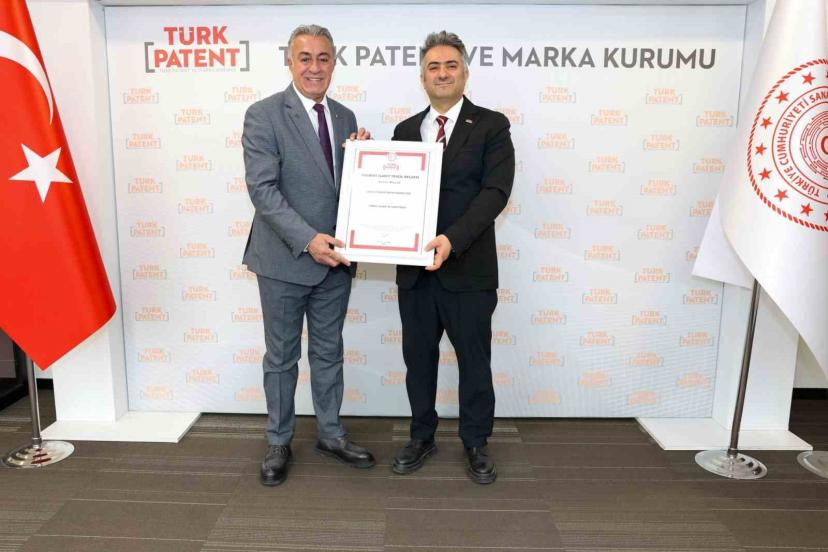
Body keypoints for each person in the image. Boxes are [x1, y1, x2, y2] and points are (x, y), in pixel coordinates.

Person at [242, 24, 375, 487]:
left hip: (335, 261)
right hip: (285, 259)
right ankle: (279, 440)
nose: (314, 67)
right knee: (281, 358)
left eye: (323, 58)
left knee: (328, 351)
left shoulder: (344, 115)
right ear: (289, 61)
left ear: (333, 63)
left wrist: (364, 162)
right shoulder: (263, 115)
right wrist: (308, 240)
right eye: (305, 58)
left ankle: (331, 434)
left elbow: (340, 187)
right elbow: (263, 189)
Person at [391, 31, 515, 484]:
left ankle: (476, 442)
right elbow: (390, 193)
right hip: (416, 273)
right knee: (418, 361)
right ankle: (421, 436)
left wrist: (451, 239)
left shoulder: (492, 126)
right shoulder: (404, 131)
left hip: (469, 270)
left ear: (464, 72)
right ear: (422, 77)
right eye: (433, 67)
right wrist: (361, 155)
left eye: (450, 66)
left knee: (475, 363)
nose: (442, 74)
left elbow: (495, 192)